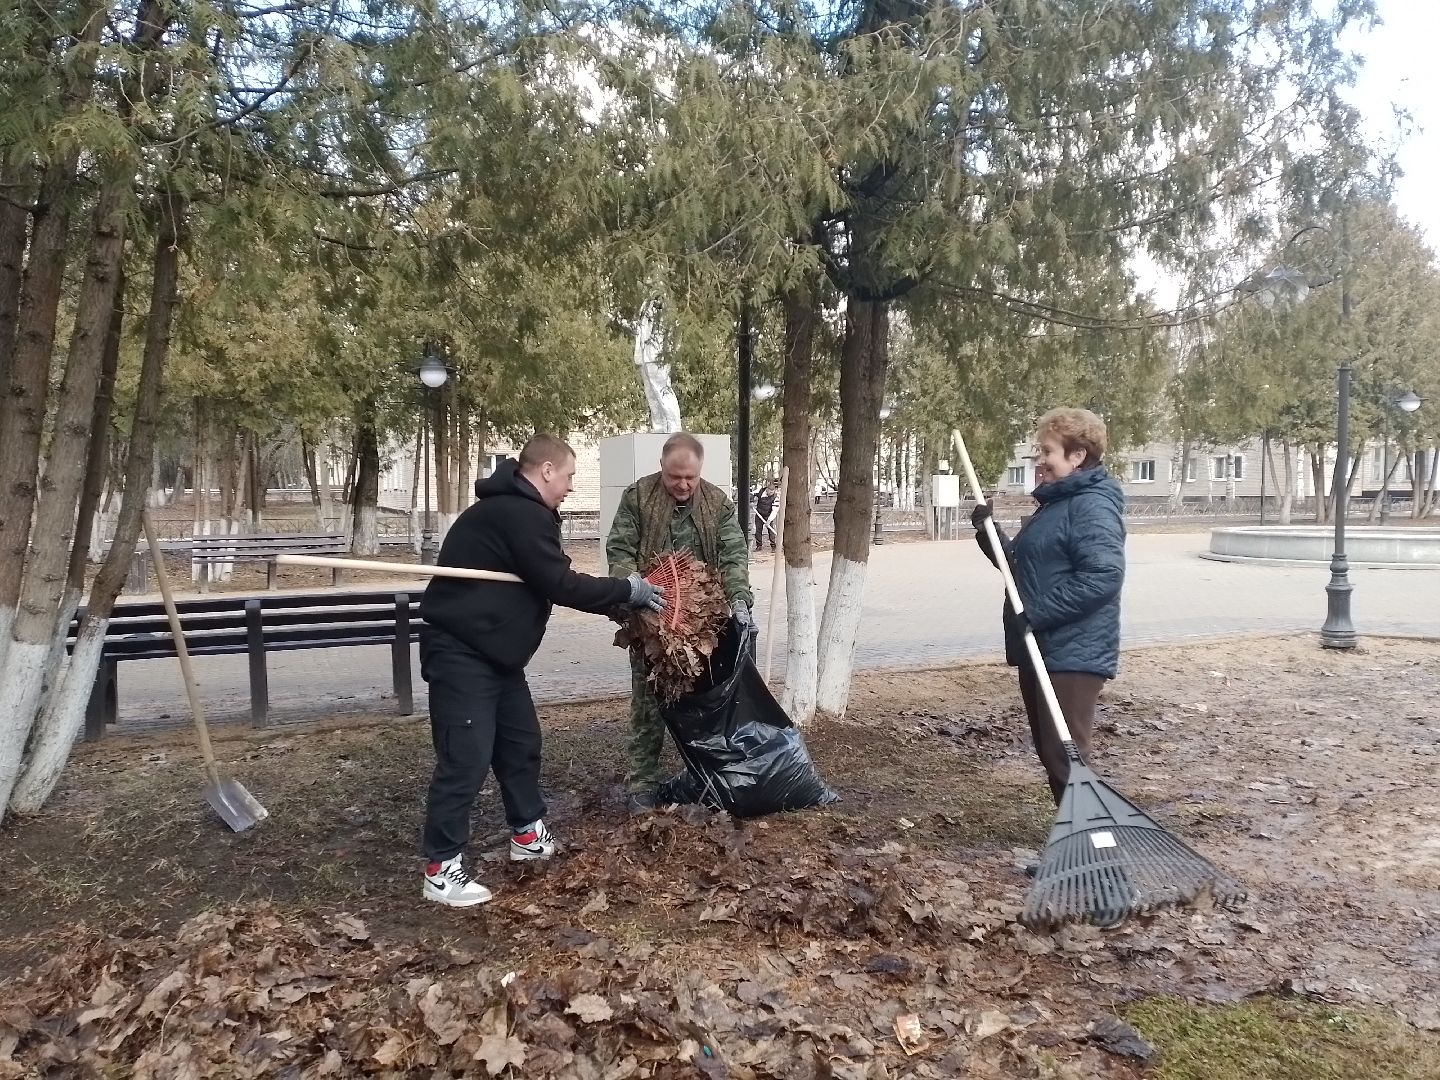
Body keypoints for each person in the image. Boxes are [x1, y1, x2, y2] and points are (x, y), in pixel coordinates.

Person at [418, 434, 666, 907]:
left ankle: (526, 835)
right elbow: (559, 581)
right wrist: (626, 590)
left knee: (519, 744)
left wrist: (615, 603)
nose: (572, 486)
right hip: (462, 652)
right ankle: (440, 869)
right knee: (465, 758)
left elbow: (546, 580)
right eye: (570, 475)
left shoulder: (526, 512)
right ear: (547, 470)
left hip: (497, 655)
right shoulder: (516, 512)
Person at [972, 408, 1126, 807]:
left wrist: (1037, 613)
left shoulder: (1091, 505)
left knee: (1067, 758)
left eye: (1048, 451)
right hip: (1043, 646)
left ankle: (1097, 856)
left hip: (1073, 651)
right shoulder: (1058, 504)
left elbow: (1103, 576)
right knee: (1053, 753)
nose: (1040, 460)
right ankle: (1079, 850)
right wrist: (991, 535)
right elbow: (1026, 570)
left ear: (1077, 456)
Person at [606, 432, 753, 813]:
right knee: (648, 704)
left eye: (690, 477)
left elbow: (734, 554)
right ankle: (643, 782)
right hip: (650, 620)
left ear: (700, 470)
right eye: (675, 477)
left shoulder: (717, 503)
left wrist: (739, 600)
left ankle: (708, 777)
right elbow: (619, 550)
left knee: (707, 705)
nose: (683, 485)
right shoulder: (638, 497)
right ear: (662, 467)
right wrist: (634, 591)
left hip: (704, 626)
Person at [753, 478, 778, 553]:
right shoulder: (760, 491)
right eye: (770, 491)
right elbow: (751, 494)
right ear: (767, 489)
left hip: (768, 515)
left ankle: (773, 546)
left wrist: (769, 520)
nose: (771, 493)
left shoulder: (775, 498)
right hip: (759, 514)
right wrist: (751, 500)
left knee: (771, 531)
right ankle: (759, 545)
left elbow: (775, 510)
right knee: (758, 530)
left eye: (772, 492)